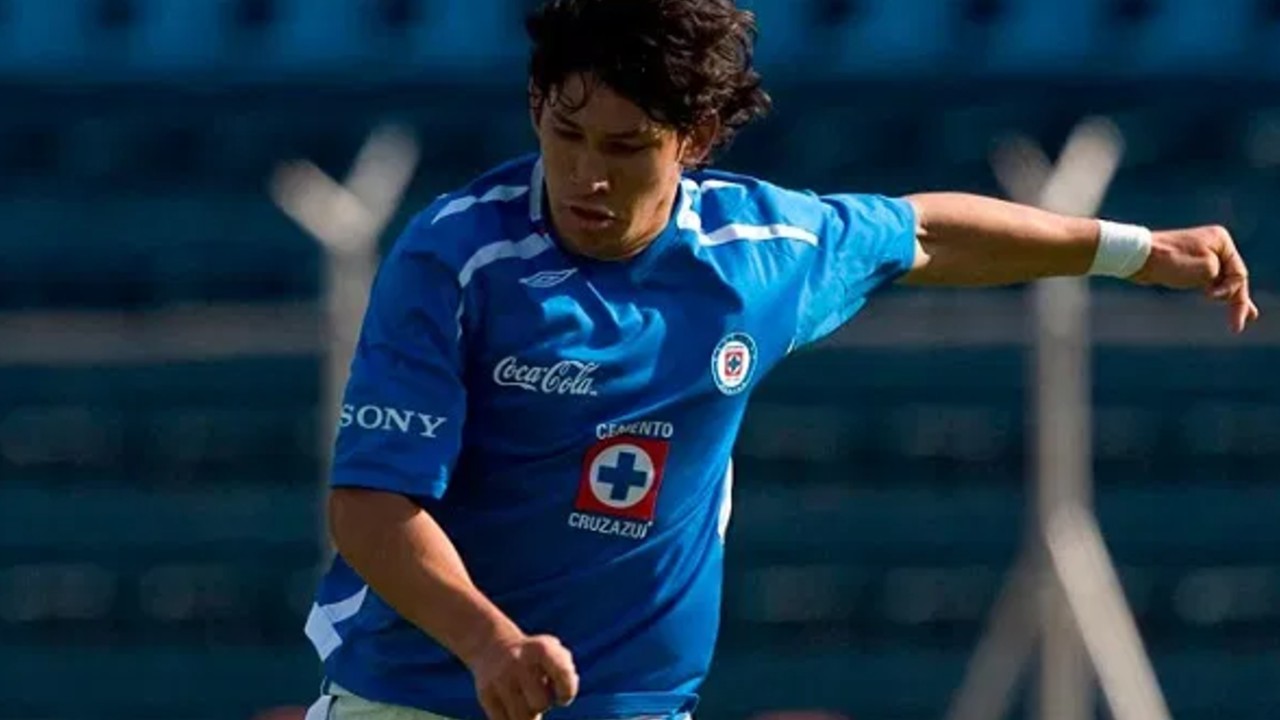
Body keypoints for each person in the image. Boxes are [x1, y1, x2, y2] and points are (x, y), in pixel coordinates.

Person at [302, 1, 1260, 719]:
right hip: (417, 696)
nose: (589, 174)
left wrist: (1135, 250)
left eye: (628, 148)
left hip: (633, 704)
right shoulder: (455, 258)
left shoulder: (760, 251)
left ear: (693, 141)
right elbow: (372, 505)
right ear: (534, 107)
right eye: (567, 135)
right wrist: (488, 644)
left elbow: (924, 234)